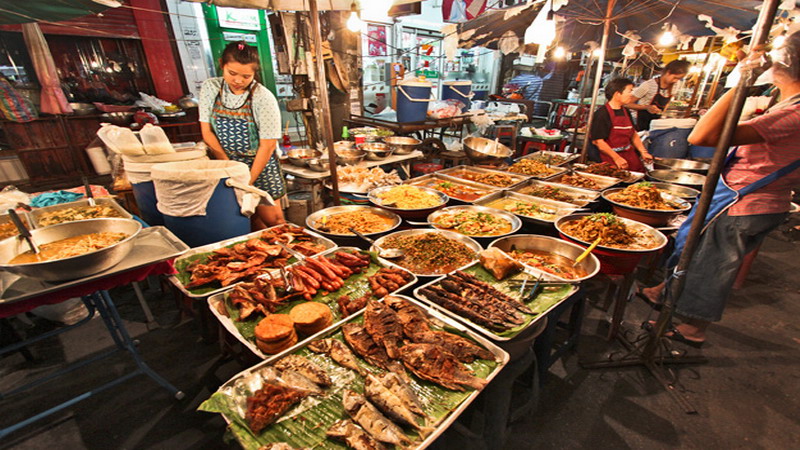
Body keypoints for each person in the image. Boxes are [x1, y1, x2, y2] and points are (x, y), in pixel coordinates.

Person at [642, 33, 800, 346]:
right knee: (694, 248)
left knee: (712, 267)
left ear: (788, 63)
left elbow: (701, 135)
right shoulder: (787, 104)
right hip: (745, 196)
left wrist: (740, 82)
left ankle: (693, 329)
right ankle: (665, 293)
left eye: (776, 54)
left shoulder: (794, 114)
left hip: (746, 201)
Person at [199, 41, 286, 228]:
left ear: (255, 73)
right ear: (222, 64)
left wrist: (247, 181)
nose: (238, 80)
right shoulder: (211, 88)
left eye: (246, 76)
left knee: (275, 222)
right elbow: (207, 132)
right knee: (247, 220)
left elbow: (268, 145)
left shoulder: (262, 97)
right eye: (232, 73)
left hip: (260, 165)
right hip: (226, 164)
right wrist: (230, 168)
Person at [589, 78, 654, 172]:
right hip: (610, 157)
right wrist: (617, 158)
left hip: (629, 154)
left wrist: (643, 152)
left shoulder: (625, 110)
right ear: (617, 94)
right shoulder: (602, 114)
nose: (632, 95)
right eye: (630, 91)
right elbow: (599, 142)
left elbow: (633, 133)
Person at [626, 59, 691, 130]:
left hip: (657, 123)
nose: (676, 81)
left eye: (679, 79)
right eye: (675, 78)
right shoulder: (648, 85)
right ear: (668, 72)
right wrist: (646, 107)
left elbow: (667, 102)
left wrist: (663, 114)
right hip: (641, 122)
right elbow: (627, 104)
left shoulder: (675, 85)